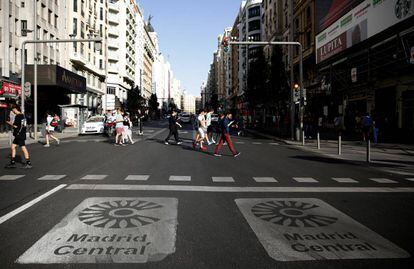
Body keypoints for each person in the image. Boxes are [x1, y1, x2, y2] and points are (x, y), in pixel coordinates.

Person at [5, 105, 32, 169]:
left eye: (12, 110)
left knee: (23, 147)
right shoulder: (23, 116)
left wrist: (8, 122)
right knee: (13, 147)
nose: (12, 111)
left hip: (19, 134)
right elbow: (24, 125)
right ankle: (13, 162)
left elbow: (15, 126)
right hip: (21, 134)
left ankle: (28, 163)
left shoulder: (18, 116)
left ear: (15, 109)